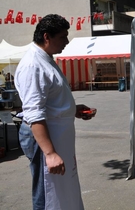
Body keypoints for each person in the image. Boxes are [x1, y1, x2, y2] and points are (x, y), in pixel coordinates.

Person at [15, 14, 96, 210]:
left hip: (56, 134)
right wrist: (50, 153)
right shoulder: (33, 65)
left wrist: (71, 109)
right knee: (47, 193)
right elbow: (34, 113)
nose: (66, 42)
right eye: (62, 37)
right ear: (46, 37)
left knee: (61, 190)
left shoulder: (46, 59)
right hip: (44, 138)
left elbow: (49, 100)